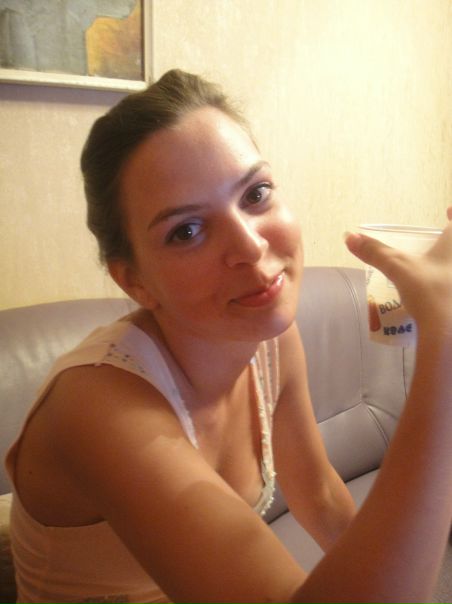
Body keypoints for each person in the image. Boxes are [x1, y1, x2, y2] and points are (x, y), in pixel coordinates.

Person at [5, 69, 452, 604]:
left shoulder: (269, 342)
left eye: (256, 194)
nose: (250, 246)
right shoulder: (95, 407)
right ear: (135, 281)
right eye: (187, 231)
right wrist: (444, 348)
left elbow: (319, 496)